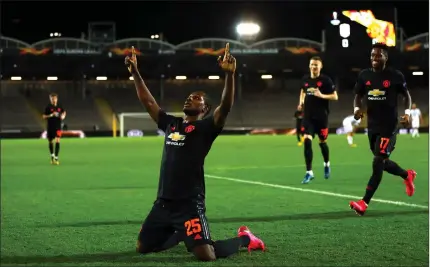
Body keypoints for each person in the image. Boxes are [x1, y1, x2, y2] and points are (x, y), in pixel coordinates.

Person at [125, 44, 265, 261]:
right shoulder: (171, 124)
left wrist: (229, 75)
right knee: (143, 247)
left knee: (206, 255)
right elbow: (149, 102)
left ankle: (246, 239)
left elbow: (225, 107)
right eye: (189, 96)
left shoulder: (206, 128)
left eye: (196, 97)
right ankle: (183, 234)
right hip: (162, 203)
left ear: (205, 109)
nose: (190, 98)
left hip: (189, 205)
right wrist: (135, 72)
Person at [349, 43, 417, 216]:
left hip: (389, 126)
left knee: (378, 162)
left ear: (386, 58)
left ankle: (364, 202)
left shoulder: (394, 76)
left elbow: (406, 95)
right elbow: (358, 95)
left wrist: (407, 113)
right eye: (372, 55)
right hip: (372, 126)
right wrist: (357, 110)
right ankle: (406, 175)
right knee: (382, 162)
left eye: (378, 55)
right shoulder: (364, 75)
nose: (374, 58)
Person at [298, 56, 338, 184]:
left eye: (316, 65)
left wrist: (321, 95)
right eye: (312, 64)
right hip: (308, 117)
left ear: (320, 67)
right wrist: (301, 102)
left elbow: (335, 96)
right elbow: (303, 91)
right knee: (307, 141)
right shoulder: (305, 79)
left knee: (322, 142)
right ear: (309, 66)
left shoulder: (326, 81)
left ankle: (326, 164)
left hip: (322, 117)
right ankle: (309, 172)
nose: (314, 67)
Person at [42, 93, 66, 165]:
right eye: (52, 98)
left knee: (58, 140)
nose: (53, 100)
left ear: (57, 99)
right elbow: (43, 116)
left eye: (55, 98)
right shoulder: (48, 107)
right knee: (51, 141)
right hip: (50, 126)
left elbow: (64, 111)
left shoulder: (59, 105)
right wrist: (51, 115)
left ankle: (56, 157)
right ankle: (52, 156)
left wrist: (63, 116)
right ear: (50, 99)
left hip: (58, 127)